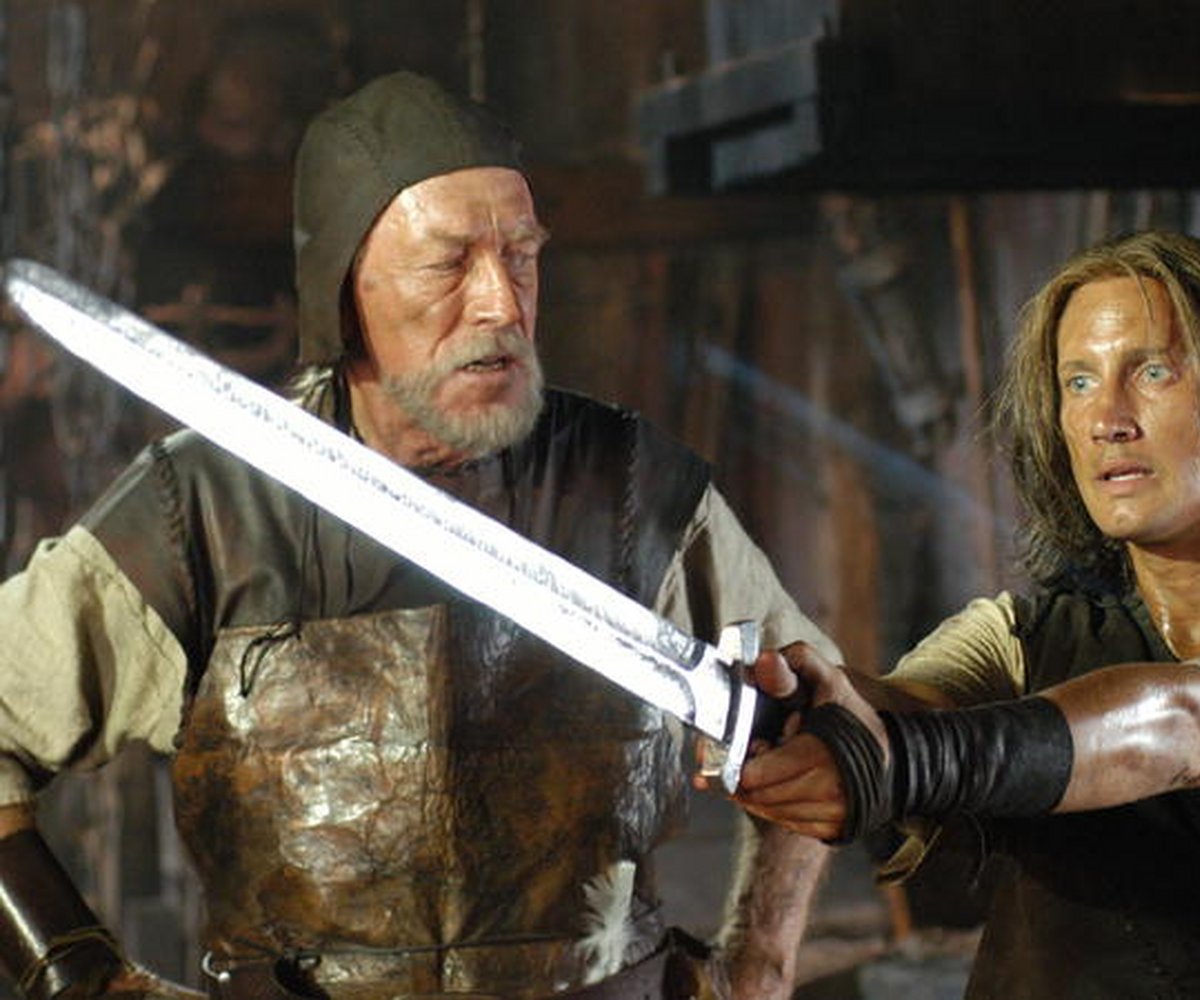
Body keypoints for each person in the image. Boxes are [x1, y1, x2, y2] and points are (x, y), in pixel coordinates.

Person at [0, 71, 835, 1000]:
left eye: (521, 257)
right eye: (448, 265)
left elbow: (816, 720)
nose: (501, 305)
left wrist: (760, 964)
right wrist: (80, 976)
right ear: (342, 291)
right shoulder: (204, 508)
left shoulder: (633, 486)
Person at [727, 230, 1200, 997]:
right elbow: (901, 710)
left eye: (1152, 372)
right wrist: (796, 713)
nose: (1106, 419)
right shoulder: (1017, 640)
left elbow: (1186, 723)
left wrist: (904, 757)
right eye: (1079, 382)